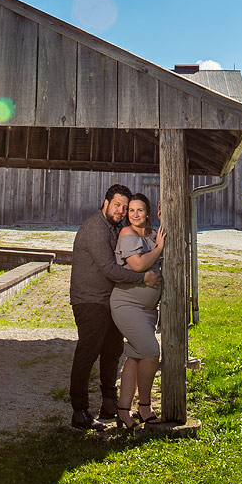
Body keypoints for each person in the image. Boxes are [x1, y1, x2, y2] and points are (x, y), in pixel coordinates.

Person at [68, 183, 160, 429]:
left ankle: (110, 405)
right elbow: (110, 269)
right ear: (106, 202)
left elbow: (142, 235)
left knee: (112, 352)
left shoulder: (116, 227)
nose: (121, 211)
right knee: (88, 353)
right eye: (117, 205)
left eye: (124, 207)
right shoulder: (95, 229)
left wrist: (160, 219)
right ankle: (80, 411)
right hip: (90, 300)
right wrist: (143, 278)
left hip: (108, 300)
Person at [110, 192, 166, 429]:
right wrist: (160, 247)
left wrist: (164, 222)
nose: (134, 215)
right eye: (130, 211)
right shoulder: (127, 234)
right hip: (127, 304)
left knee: (136, 355)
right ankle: (145, 406)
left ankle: (123, 411)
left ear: (147, 212)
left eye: (139, 210)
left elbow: (162, 239)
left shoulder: (152, 234)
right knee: (152, 353)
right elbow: (139, 264)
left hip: (148, 310)